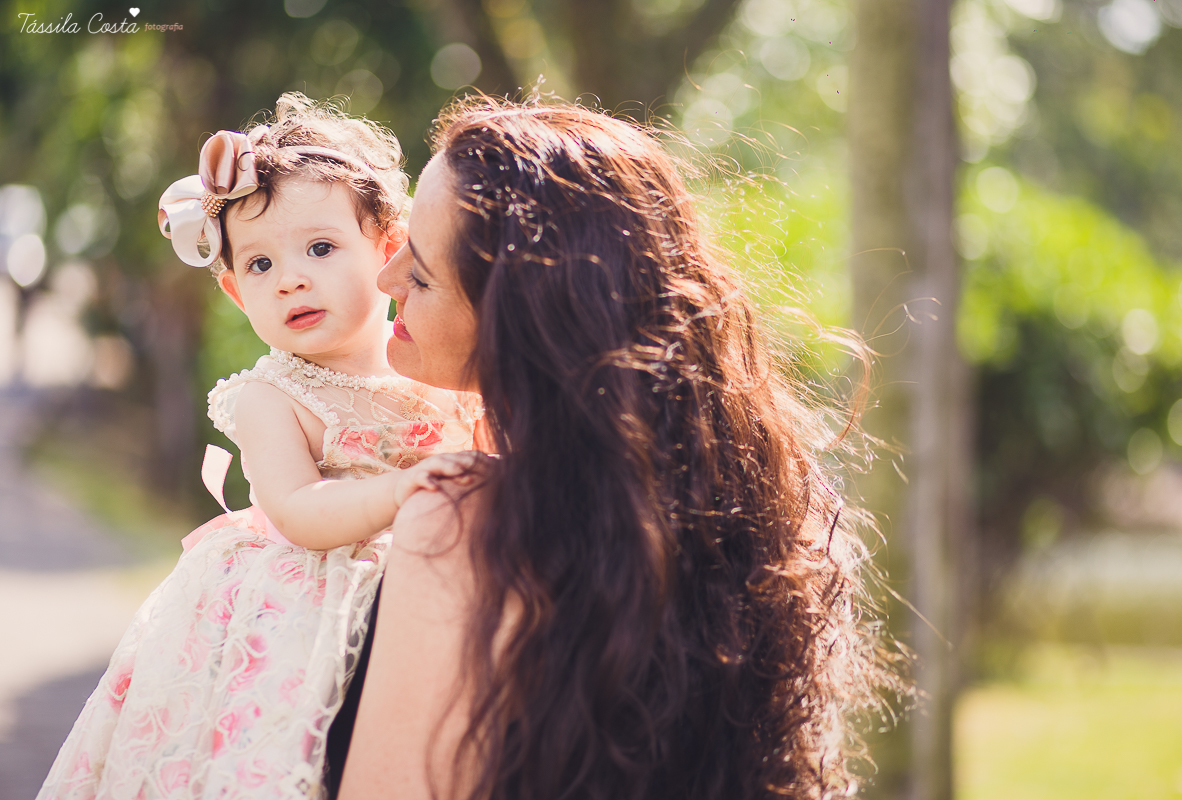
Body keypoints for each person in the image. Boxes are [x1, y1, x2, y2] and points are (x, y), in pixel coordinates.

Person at [333, 99, 890, 800]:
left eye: (418, 274)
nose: (385, 283)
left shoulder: (461, 522)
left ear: (519, 326)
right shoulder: (762, 507)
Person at [38, 94, 483, 800]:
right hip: (301, 605)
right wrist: (403, 491)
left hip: (428, 587)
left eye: (320, 248)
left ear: (389, 248)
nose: (292, 279)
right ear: (238, 295)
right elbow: (301, 508)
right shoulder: (273, 396)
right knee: (278, 759)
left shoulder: (439, 366)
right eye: (261, 266)